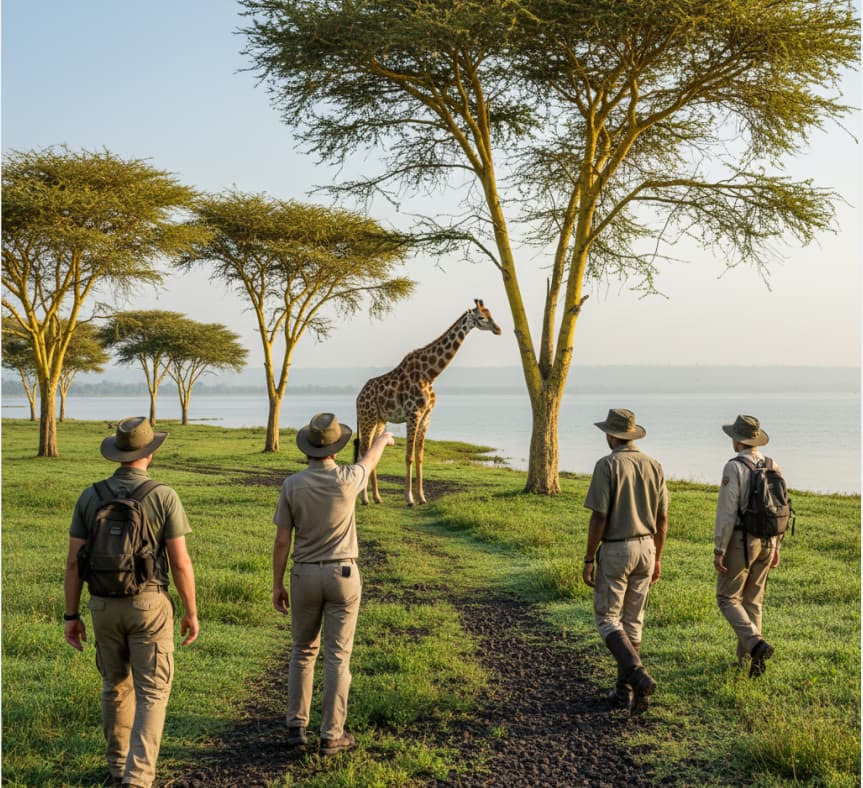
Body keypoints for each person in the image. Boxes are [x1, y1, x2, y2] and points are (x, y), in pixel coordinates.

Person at [63, 416, 199, 788]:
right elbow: (180, 562)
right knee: (152, 692)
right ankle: (138, 779)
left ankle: (117, 768)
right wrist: (190, 611)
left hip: (102, 605)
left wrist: (71, 615)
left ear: (117, 454)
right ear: (148, 454)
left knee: (114, 686)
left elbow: (74, 562)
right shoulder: (163, 495)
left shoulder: (90, 496)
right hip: (149, 604)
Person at [272, 412, 394, 755]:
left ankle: (297, 727)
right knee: (338, 657)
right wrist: (383, 439)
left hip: (304, 576)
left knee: (302, 651)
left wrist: (277, 584)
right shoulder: (347, 478)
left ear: (307, 449)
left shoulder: (292, 485)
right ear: (336, 449)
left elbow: (282, 541)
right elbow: (368, 462)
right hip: (343, 575)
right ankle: (332, 734)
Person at [582, 408, 669, 715]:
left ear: (611, 435)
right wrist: (657, 556)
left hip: (618, 548)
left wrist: (589, 558)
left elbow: (599, 516)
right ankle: (625, 695)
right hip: (647, 546)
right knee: (633, 621)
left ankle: (637, 674)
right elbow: (662, 518)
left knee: (607, 618)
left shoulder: (607, 465)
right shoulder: (654, 465)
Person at [714, 414, 781, 677]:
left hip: (743, 541)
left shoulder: (734, 467)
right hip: (768, 541)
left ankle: (756, 644)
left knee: (727, 597)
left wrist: (720, 549)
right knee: (753, 600)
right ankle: (748, 662)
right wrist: (776, 546)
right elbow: (779, 509)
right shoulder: (773, 464)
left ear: (737, 440)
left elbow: (727, 513)